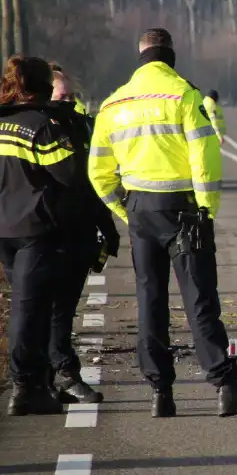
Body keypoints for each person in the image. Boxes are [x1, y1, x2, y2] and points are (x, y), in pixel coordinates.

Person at [88, 28, 237, 418]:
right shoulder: (185, 97)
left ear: (140, 55)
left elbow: (98, 171)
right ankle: (225, 384)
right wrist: (206, 207)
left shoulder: (112, 105)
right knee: (199, 300)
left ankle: (160, 392)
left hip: (140, 211)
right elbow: (205, 156)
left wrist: (124, 209)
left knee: (150, 301)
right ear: (170, 54)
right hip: (185, 211)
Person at [0, 55, 84, 416]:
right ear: (42, 87)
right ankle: (24, 388)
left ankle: (35, 383)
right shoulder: (41, 127)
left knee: (25, 306)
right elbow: (73, 175)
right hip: (35, 230)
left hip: (4, 230)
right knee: (29, 311)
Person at [44, 62, 120, 405]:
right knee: (53, 309)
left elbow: (92, 182)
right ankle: (62, 373)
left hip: (76, 230)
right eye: (64, 95)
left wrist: (106, 226)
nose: (71, 102)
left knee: (62, 308)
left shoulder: (80, 126)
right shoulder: (38, 129)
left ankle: (47, 377)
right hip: (46, 232)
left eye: (73, 96)